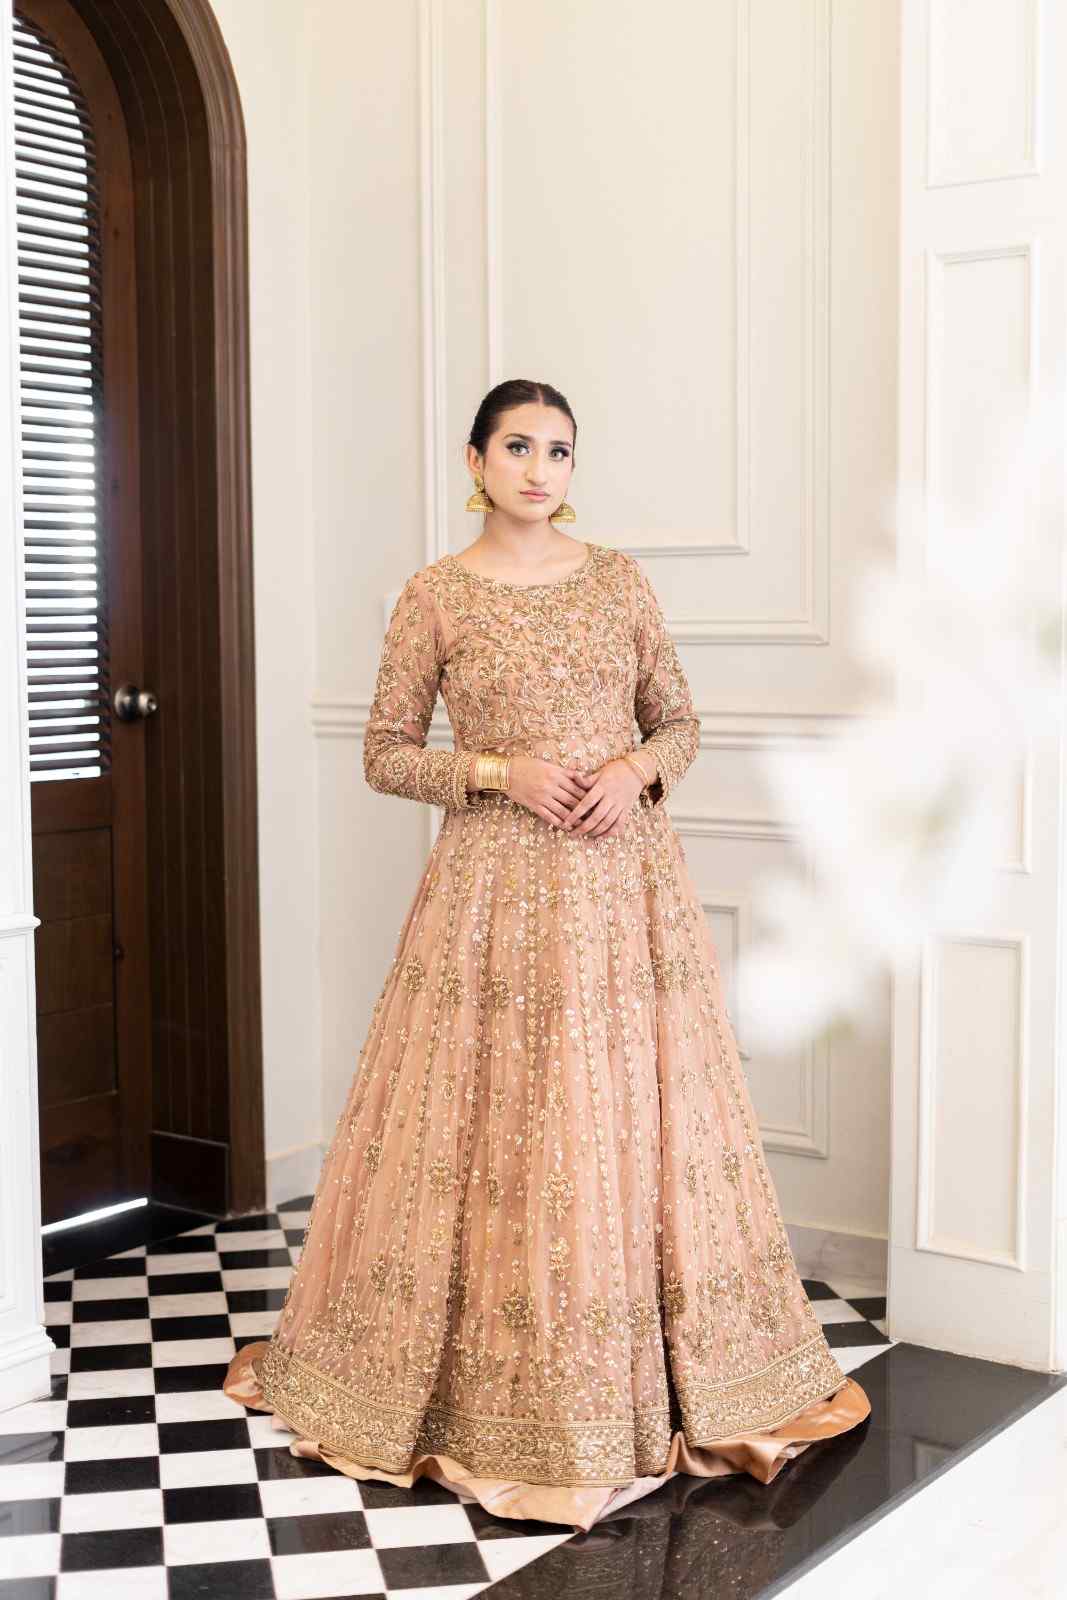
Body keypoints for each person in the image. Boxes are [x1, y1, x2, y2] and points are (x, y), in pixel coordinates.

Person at [224, 378, 871, 1531]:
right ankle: (495, 1394)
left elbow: (679, 721)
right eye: (517, 446)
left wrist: (632, 771)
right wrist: (497, 772)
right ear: (474, 460)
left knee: (619, 1115)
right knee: (504, 1118)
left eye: (558, 450)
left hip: (623, 890)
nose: (538, 468)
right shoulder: (434, 596)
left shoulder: (618, 581)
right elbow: (383, 752)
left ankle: (651, 1374)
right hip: (491, 896)